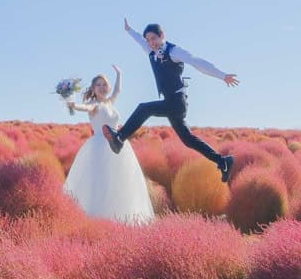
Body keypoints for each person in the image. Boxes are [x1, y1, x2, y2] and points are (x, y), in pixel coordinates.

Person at [102, 19, 239, 183]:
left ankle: (120, 138)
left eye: (154, 38)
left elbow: (196, 62)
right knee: (188, 140)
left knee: (144, 109)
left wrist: (222, 75)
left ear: (162, 36)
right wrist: (129, 30)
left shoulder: (174, 52)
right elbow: (140, 40)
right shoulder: (150, 50)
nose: (151, 43)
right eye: (149, 40)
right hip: (171, 102)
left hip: (177, 102)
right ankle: (223, 161)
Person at [62, 66, 155, 223]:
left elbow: (118, 90)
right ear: (93, 88)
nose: (102, 87)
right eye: (98, 85)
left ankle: (120, 219)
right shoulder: (93, 104)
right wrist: (74, 105)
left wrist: (119, 73)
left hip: (118, 145)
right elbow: (84, 107)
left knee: (120, 183)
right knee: (100, 182)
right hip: (99, 147)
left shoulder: (111, 102)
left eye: (104, 84)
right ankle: (97, 220)